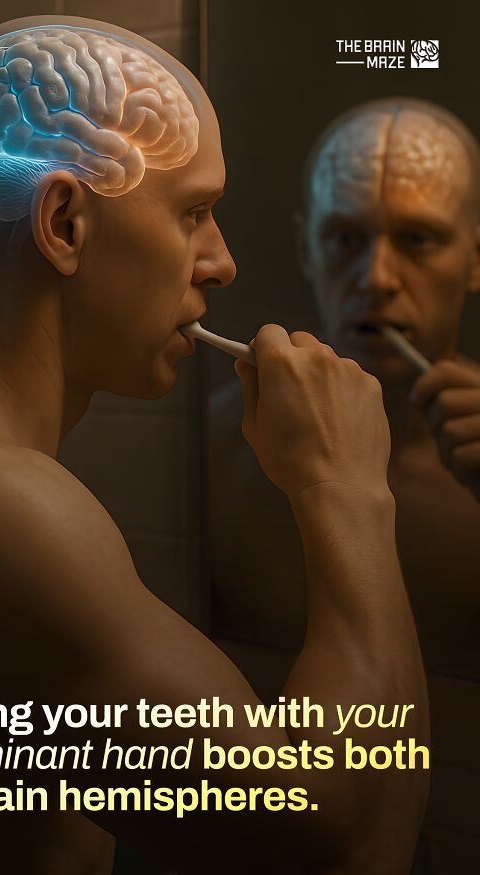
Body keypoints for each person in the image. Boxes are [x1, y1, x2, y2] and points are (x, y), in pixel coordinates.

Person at [0, 20, 428, 874]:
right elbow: (346, 841)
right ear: (64, 223)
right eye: (195, 212)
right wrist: (344, 489)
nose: (222, 262)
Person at [210, 97, 480, 871]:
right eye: (345, 238)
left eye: (419, 240)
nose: (378, 277)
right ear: (305, 246)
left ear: (474, 256)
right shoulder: (217, 444)